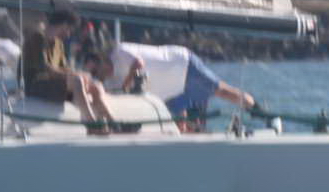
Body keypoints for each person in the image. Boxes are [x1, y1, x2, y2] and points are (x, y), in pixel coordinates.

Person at [84, 42, 256, 128]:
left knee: (223, 92)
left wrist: (126, 84)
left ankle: (257, 110)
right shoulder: (109, 82)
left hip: (182, 65)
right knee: (179, 125)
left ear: (103, 60)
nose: (99, 75)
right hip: (170, 92)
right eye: (94, 74)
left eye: (97, 70)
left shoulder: (119, 52)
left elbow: (138, 64)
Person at [20, 9, 114, 131]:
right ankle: (91, 123)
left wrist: (79, 74)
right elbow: (45, 68)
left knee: (96, 86)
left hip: (53, 84)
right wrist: (75, 76)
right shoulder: (37, 37)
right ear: (64, 25)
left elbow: (63, 68)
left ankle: (112, 122)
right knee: (77, 81)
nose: (69, 34)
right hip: (35, 85)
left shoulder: (58, 43)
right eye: (69, 30)